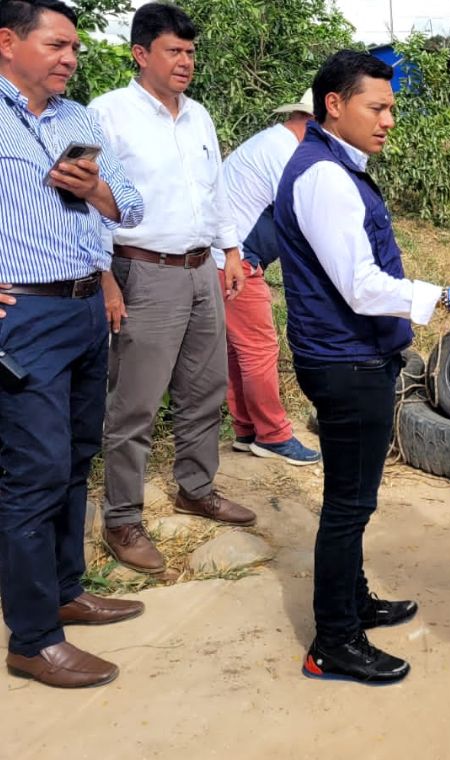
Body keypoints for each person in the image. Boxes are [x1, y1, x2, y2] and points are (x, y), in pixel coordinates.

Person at [275, 50, 450, 685]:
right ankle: (332, 641)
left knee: (354, 499)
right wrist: (449, 297)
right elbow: (361, 287)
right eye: (377, 107)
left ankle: (352, 601)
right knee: (347, 505)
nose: (388, 120)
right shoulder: (325, 177)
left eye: (391, 107)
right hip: (346, 361)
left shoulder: (335, 166)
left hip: (352, 356)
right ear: (334, 104)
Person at [0, 0, 146, 688]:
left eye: (76, 49)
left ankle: (65, 589)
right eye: (57, 44)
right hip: (21, 316)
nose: (70, 58)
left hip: (86, 307)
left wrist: (99, 191)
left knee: (74, 459)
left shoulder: (79, 119)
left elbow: (135, 206)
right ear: (8, 42)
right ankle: (32, 639)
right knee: (32, 473)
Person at [90, 2, 254, 576]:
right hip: (141, 270)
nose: (185, 62)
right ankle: (122, 518)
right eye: (174, 51)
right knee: (134, 401)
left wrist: (230, 251)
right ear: (141, 54)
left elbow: (214, 193)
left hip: (200, 270)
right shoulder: (107, 114)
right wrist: (105, 275)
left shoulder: (200, 116)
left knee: (204, 389)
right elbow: (88, 201)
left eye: (190, 52)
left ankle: (196, 487)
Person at [219, 88, 320, 465]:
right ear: (312, 120)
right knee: (259, 348)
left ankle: (246, 429)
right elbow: (305, 218)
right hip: (235, 261)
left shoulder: (271, 142)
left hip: (225, 256)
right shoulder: (288, 154)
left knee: (238, 349)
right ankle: (274, 436)